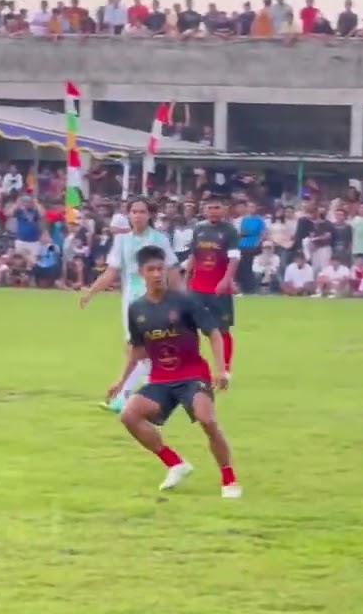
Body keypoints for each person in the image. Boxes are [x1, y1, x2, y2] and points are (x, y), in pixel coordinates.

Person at [114, 244, 240, 498]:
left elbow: (214, 334)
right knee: (129, 415)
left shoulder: (184, 301)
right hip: (161, 380)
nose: (158, 274)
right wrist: (120, 382)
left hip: (193, 375)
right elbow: (137, 350)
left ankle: (229, 478)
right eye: (151, 269)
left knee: (207, 420)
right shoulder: (137, 309)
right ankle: (175, 463)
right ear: (141, 273)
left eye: (161, 269)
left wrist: (221, 369)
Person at [79, 197, 180, 413]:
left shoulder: (159, 239)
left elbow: (172, 271)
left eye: (142, 211)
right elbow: (111, 272)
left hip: (155, 298)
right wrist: (91, 291)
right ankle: (151, 393)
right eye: (133, 212)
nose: (137, 216)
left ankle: (125, 396)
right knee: (139, 349)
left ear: (149, 215)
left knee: (141, 347)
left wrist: (182, 299)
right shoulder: (122, 241)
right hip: (131, 300)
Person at [183, 193, 241, 374]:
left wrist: (226, 280)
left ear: (224, 209)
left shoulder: (230, 231)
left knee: (222, 329)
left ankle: (225, 368)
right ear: (203, 210)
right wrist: (186, 279)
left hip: (218, 289)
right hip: (197, 287)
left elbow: (234, 258)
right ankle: (192, 365)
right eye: (210, 208)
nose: (213, 211)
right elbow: (193, 255)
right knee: (189, 328)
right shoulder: (198, 228)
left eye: (217, 207)